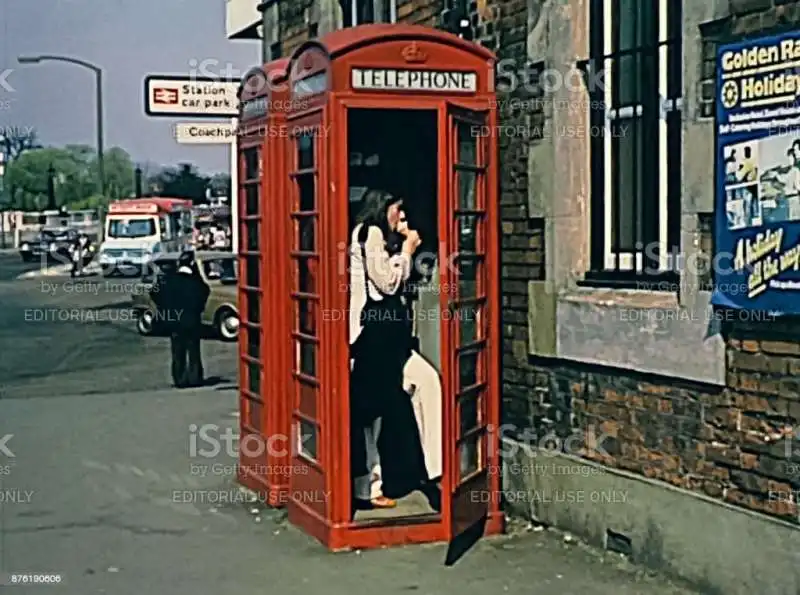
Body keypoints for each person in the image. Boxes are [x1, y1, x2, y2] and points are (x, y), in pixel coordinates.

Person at [348, 189, 443, 512]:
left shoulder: (380, 237)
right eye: (397, 210)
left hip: (391, 339)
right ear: (383, 207)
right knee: (370, 414)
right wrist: (407, 248)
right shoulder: (370, 233)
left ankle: (436, 471)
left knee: (427, 382)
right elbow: (387, 282)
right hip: (372, 339)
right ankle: (368, 487)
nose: (400, 218)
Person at [151, 251, 210, 388]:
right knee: (194, 350)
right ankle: (195, 378)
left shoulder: (170, 279)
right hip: (192, 320)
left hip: (175, 320)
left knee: (178, 351)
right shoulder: (195, 281)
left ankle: (180, 378)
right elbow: (205, 291)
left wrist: (166, 308)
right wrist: (199, 308)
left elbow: (155, 293)